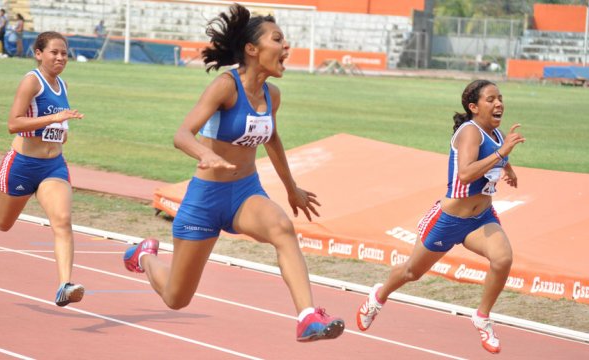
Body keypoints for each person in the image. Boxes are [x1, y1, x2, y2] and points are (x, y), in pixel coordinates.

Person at [123, 4, 345, 342]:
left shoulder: (273, 95)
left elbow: (271, 138)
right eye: (278, 39)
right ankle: (145, 257)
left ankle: (307, 317)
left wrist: (291, 187)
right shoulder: (226, 86)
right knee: (176, 299)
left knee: (283, 228)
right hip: (205, 200)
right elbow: (182, 134)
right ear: (252, 49)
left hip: (244, 193)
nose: (286, 46)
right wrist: (205, 155)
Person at [356, 79, 525, 354]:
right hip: (448, 219)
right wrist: (502, 153)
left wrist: (508, 168)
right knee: (412, 271)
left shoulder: (496, 133)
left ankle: (482, 317)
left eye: (500, 98)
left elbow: (496, 156)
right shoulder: (470, 132)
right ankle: (378, 296)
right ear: (473, 107)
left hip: (481, 219)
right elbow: (466, 173)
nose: (499, 104)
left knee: (503, 258)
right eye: (491, 99)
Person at [0, 31, 86, 307]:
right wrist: (52, 118)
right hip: (21, 165)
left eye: (64, 53)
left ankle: (64, 285)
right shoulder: (32, 81)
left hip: (53, 167)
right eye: (54, 52)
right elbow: (14, 123)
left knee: (63, 220)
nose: (60, 57)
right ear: (38, 54)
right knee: (3, 222)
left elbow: (56, 128)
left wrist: (60, 129)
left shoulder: (63, 85)